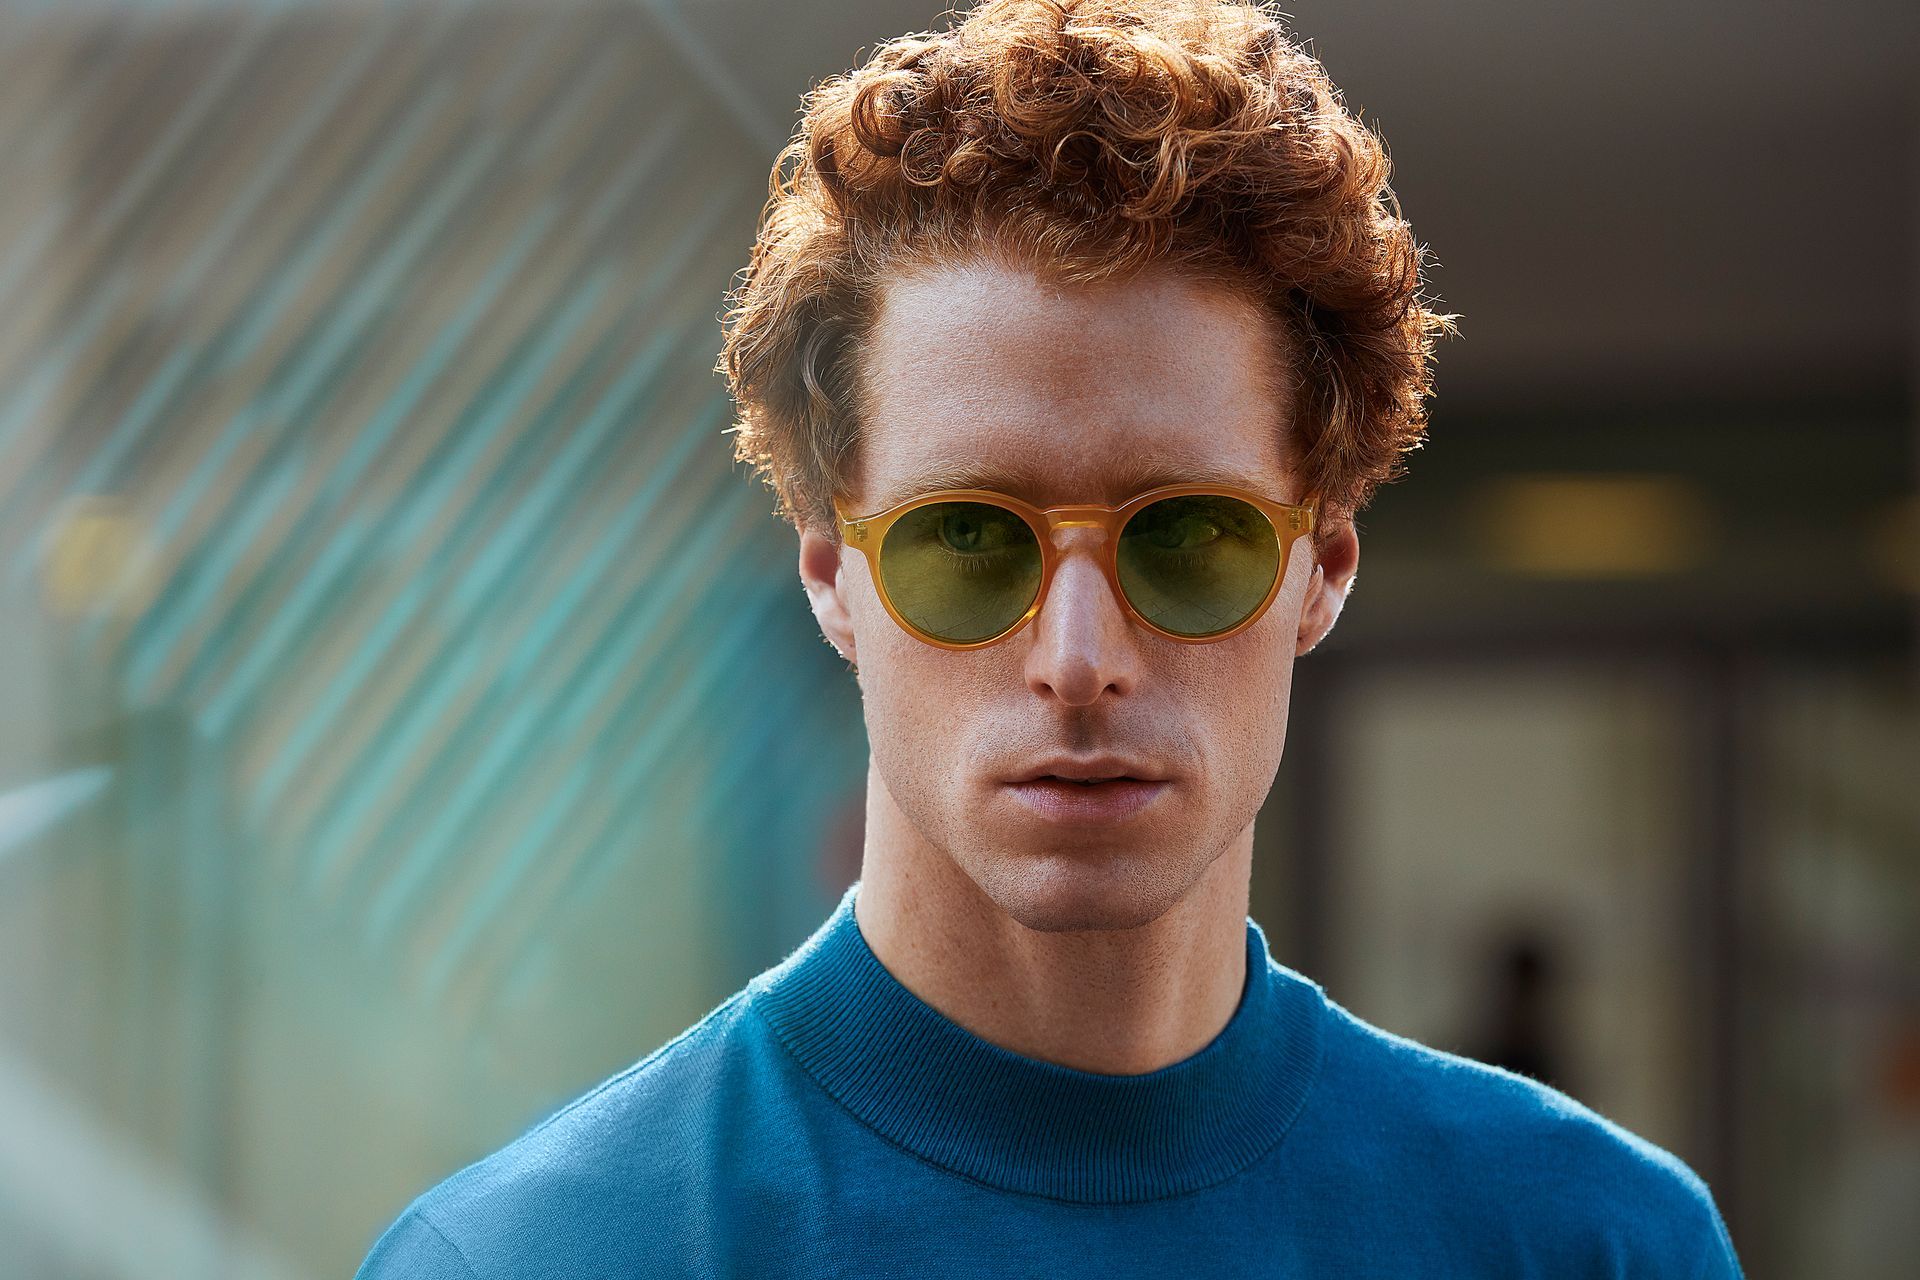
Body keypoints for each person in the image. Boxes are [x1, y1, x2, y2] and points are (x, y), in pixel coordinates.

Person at [356, 1, 1743, 1274]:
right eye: (970, 542)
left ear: (1319, 567)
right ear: (835, 576)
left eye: (1186, 539)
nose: (1080, 658)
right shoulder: (538, 1260)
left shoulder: (1592, 1246)